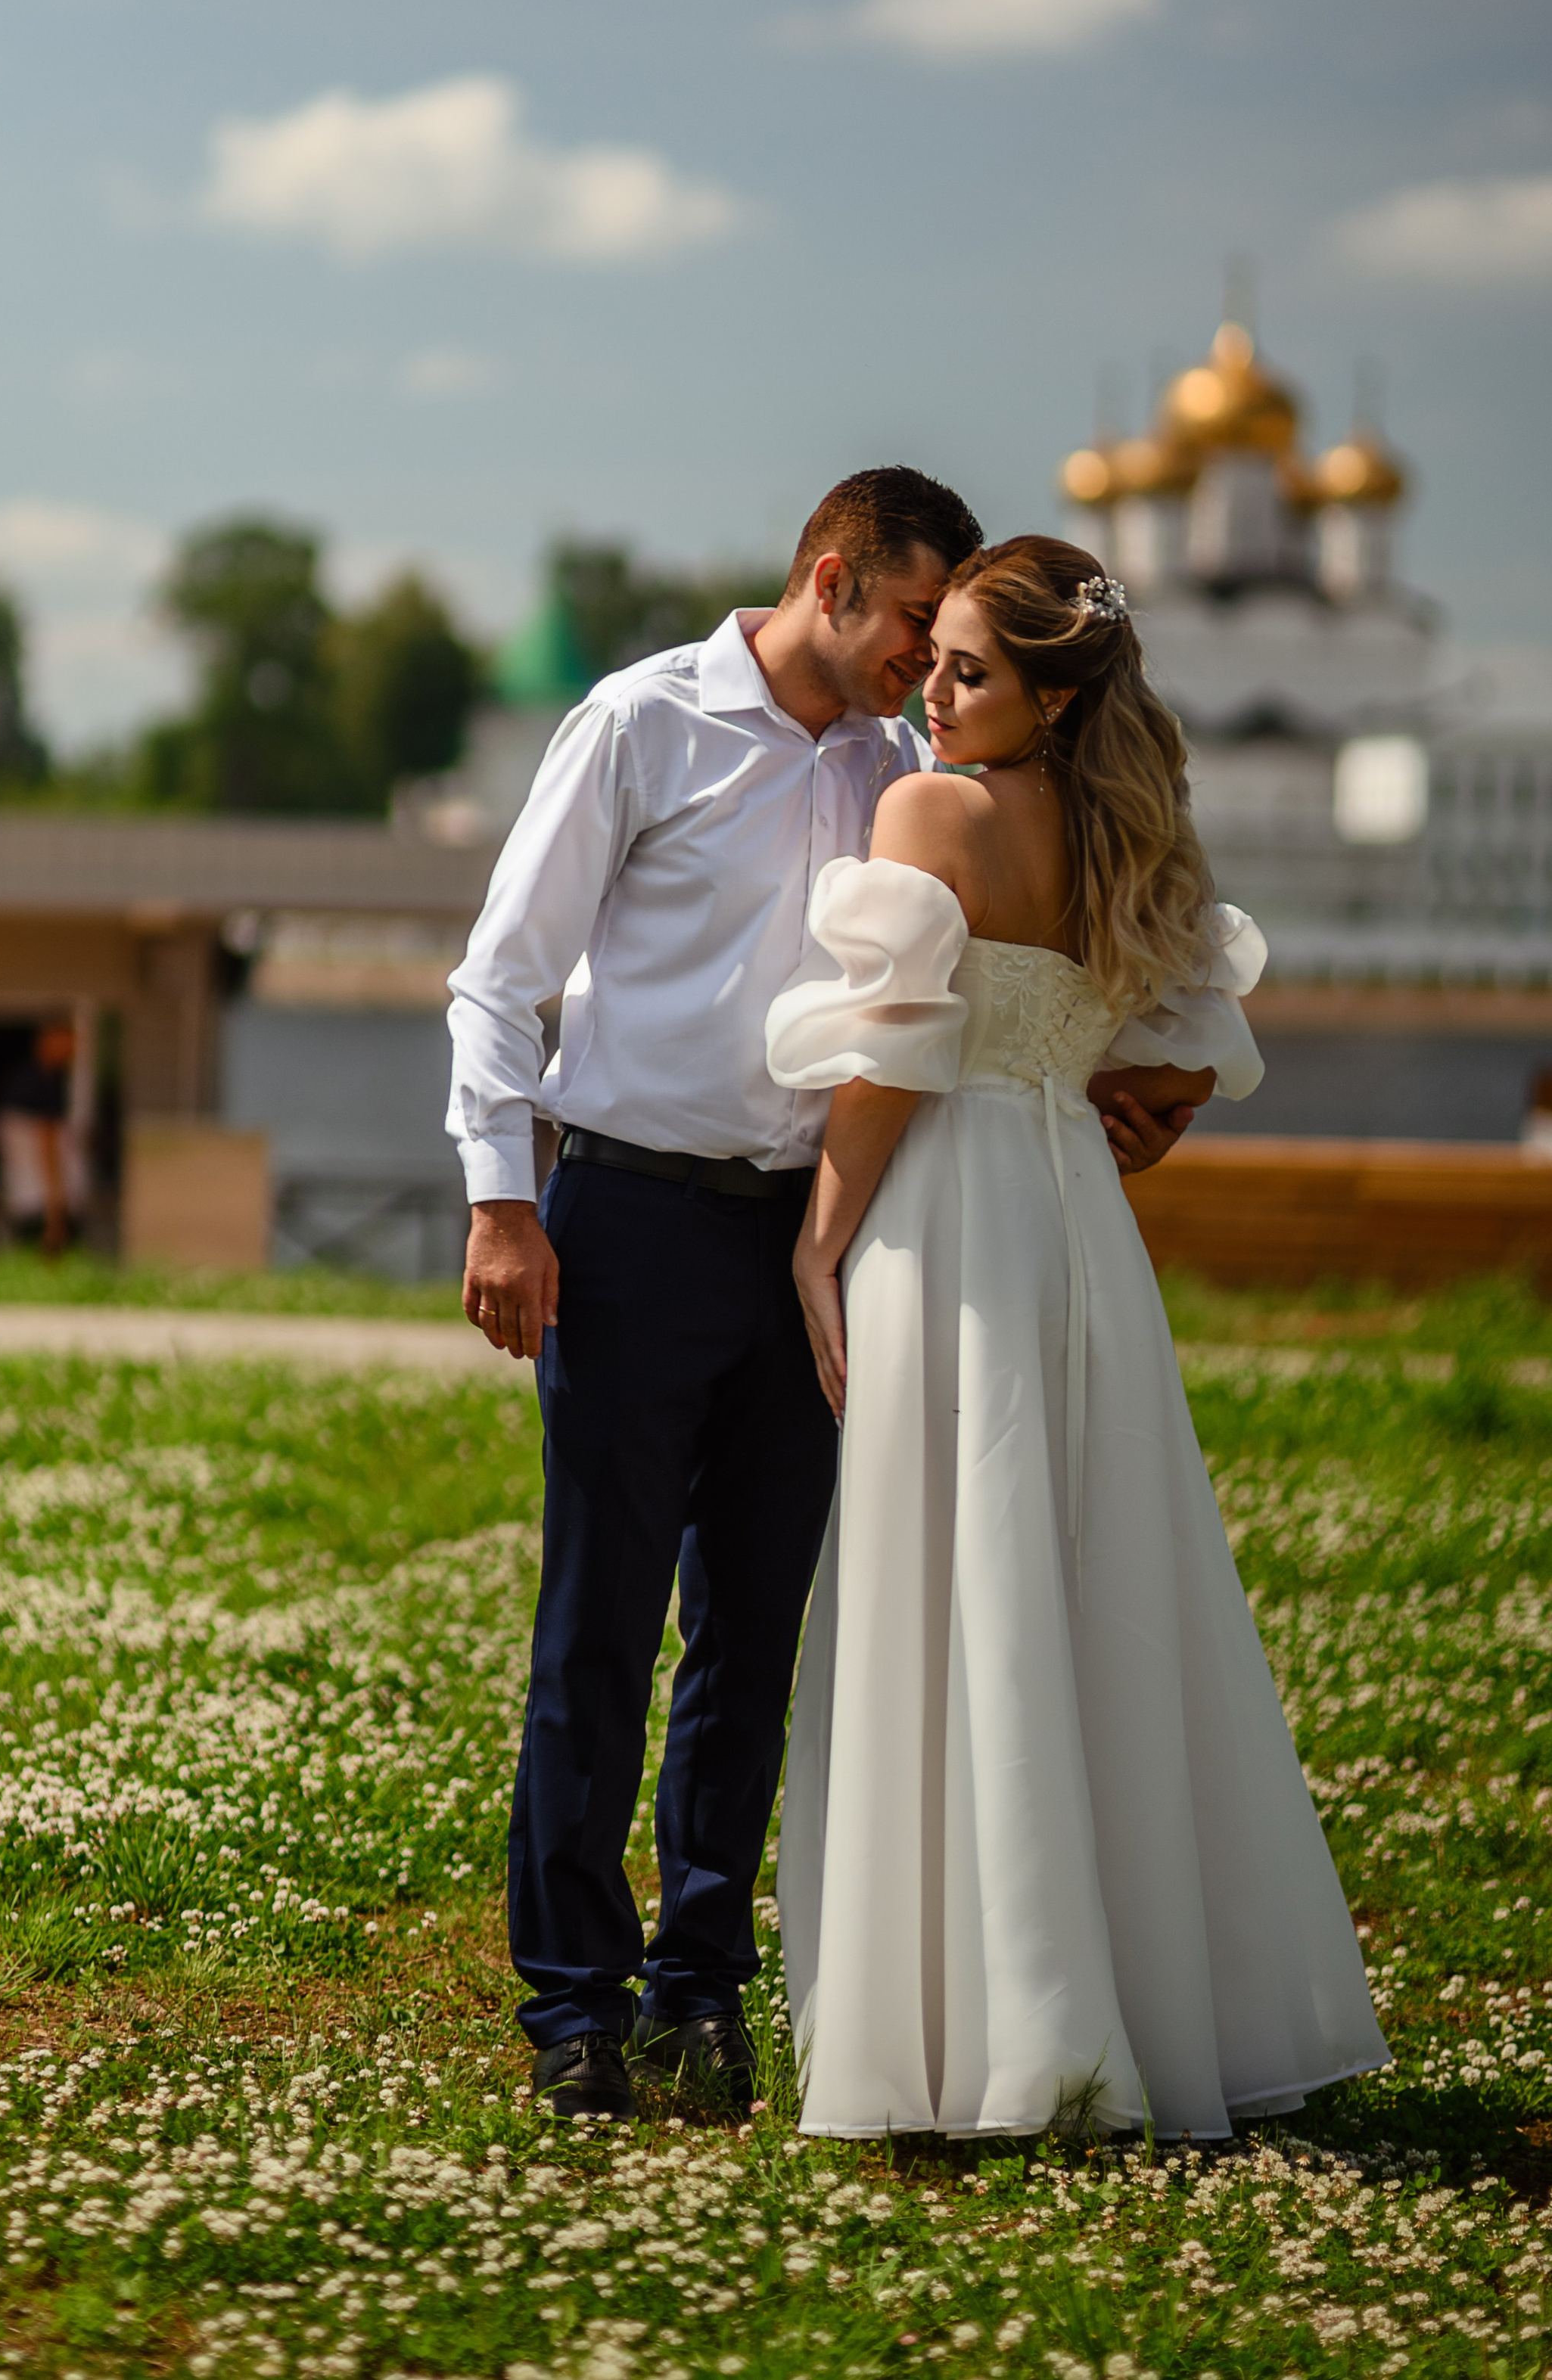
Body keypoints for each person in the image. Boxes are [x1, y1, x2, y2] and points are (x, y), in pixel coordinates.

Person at [448, 473, 1202, 2123]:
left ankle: (697, 1991)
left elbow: (951, 1012)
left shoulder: (903, 767)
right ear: (829, 576)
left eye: (945, 652)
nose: (915, 676)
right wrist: (502, 1201)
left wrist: (1099, 1088)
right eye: (906, 637)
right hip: (630, 1217)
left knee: (752, 1630)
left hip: (824, 1240)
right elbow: (500, 978)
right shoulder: (637, 723)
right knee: (596, 1627)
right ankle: (570, 2007)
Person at [767, 536, 1388, 2139]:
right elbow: (1185, 1058)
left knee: (948, 1568)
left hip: (950, 1214)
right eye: (938, 660)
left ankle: (965, 2025)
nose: (933, 692)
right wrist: (1125, 1118)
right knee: (1089, 1575)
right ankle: (1113, 2001)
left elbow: (894, 1054)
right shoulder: (1124, 828)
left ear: (1046, 693)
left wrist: (822, 1235)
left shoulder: (927, 811)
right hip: (1075, 1228)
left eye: (968, 671)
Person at [0, 1019, 86, 1255]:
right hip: (43, 1203)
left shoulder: (26, 1080)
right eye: (68, 1041)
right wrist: (55, 1214)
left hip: (24, 1199)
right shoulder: (43, 1085)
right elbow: (47, 1146)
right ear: (47, 1040)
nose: (74, 1049)